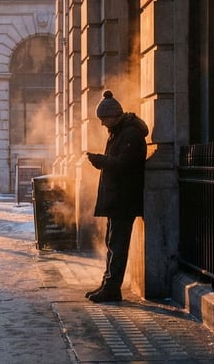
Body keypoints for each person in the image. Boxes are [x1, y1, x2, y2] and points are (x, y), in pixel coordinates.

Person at [84, 90, 149, 303]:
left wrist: (101, 161)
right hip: (117, 198)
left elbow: (125, 164)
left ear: (113, 115)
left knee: (117, 245)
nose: (102, 123)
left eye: (104, 119)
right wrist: (101, 160)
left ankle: (112, 288)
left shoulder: (130, 134)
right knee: (112, 243)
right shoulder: (119, 132)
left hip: (124, 199)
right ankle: (108, 284)